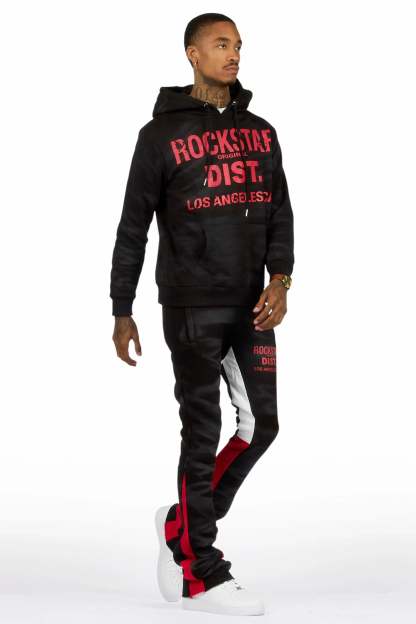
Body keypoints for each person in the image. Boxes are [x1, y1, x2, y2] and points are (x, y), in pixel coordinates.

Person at [110, 12, 294, 616]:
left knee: (261, 426)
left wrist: (281, 278)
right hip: (190, 302)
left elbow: (279, 210)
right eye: (220, 44)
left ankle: (181, 523)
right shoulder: (159, 136)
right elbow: (133, 225)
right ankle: (200, 575)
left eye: (237, 45)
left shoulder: (262, 132)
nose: (233, 54)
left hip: (251, 304)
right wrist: (121, 307)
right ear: (192, 54)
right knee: (202, 432)